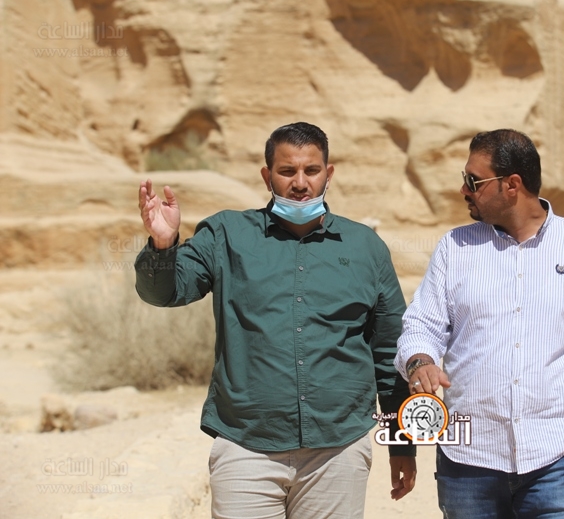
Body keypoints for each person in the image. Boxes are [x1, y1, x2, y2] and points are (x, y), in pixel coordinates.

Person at [134, 122, 416, 519]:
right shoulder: (226, 234)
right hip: (246, 447)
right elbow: (164, 293)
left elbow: (389, 351)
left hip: (337, 450)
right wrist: (163, 244)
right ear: (267, 176)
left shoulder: (365, 247)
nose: (300, 183)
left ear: (328, 174)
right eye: (287, 171)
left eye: (311, 171)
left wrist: (403, 443)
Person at [395, 129, 564, 519]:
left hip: (559, 460)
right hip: (469, 460)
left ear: (512, 185)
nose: (463, 190)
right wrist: (420, 362)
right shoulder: (454, 248)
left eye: (474, 181)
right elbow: (420, 327)